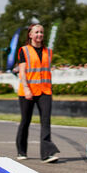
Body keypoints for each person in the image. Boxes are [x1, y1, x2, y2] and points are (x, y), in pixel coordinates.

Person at [15, 23, 60, 163]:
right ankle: (21, 151)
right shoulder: (24, 50)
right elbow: (22, 72)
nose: (39, 35)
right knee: (25, 121)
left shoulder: (49, 52)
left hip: (45, 91)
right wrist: (26, 88)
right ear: (30, 35)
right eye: (36, 32)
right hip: (27, 91)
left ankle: (47, 154)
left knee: (46, 121)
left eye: (41, 32)